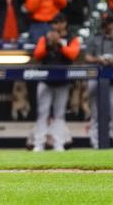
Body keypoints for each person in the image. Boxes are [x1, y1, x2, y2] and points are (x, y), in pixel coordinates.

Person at [31, 14, 80, 152]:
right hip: (45, 80)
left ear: (64, 23)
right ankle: (38, 144)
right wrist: (48, 43)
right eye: (54, 23)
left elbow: (73, 54)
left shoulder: (72, 38)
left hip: (63, 81)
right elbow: (38, 55)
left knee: (59, 115)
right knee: (42, 114)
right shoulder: (44, 38)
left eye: (58, 22)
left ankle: (58, 143)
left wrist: (59, 43)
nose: (55, 25)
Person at [85, 17, 113, 149]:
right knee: (95, 114)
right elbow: (87, 57)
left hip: (112, 80)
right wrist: (97, 59)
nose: (107, 28)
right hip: (95, 77)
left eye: (109, 25)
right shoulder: (95, 38)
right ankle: (95, 143)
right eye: (105, 25)